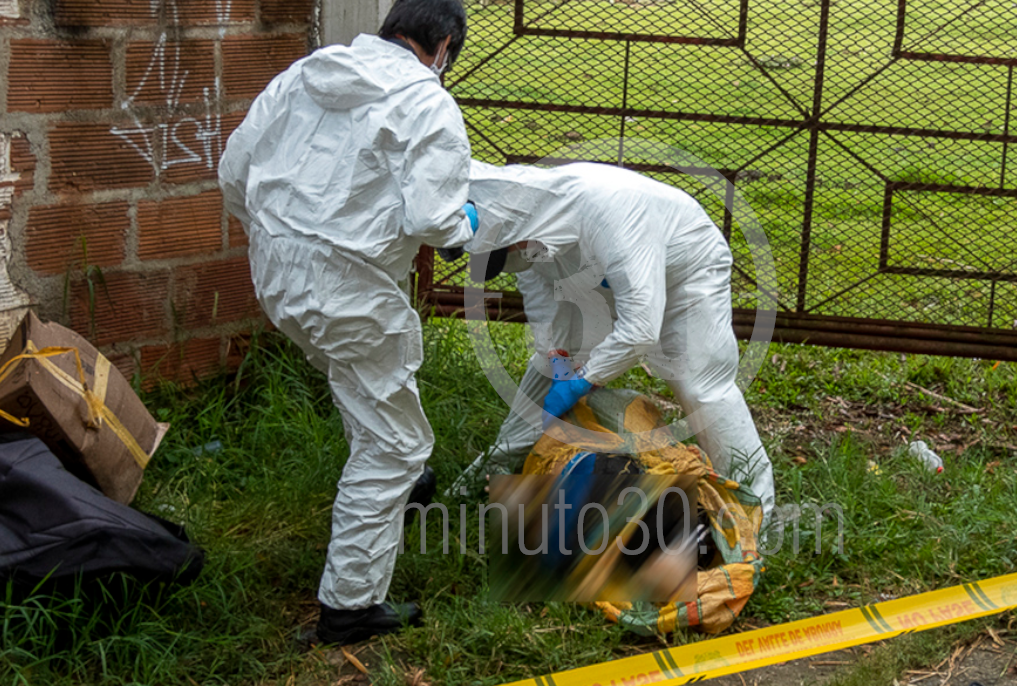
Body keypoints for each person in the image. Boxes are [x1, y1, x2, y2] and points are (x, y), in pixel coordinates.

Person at [218, 0, 476, 645]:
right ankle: (351, 607)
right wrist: (469, 224)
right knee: (396, 445)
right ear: (442, 44)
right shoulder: (428, 103)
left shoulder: (304, 74)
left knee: (363, 385)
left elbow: (233, 172)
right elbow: (434, 220)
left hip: (277, 275)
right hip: (349, 292)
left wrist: (279, 242)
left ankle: (394, 490)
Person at [457, 160, 776, 522]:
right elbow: (544, 303)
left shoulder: (610, 211)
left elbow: (640, 326)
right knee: (547, 366)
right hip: (596, 277)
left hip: (684, 273)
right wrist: (560, 358)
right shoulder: (527, 235)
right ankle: (489, 474)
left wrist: (583, 379)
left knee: (701, 385)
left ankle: (755, 513)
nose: (516, 255)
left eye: (511, 249)